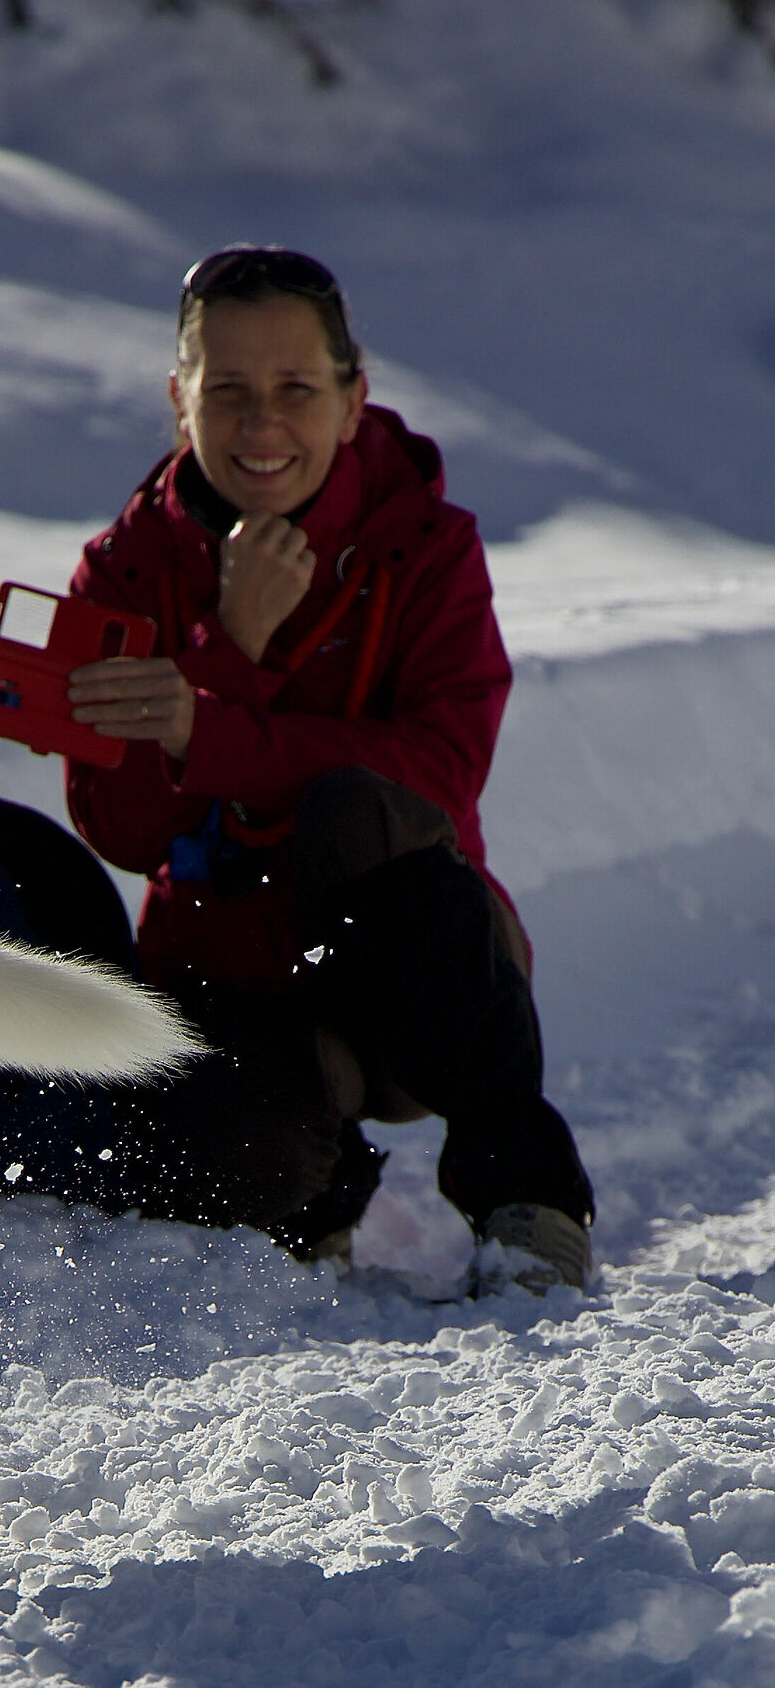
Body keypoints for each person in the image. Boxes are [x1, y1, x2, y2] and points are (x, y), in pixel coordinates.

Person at [63, 244, 594, 1289]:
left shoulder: (425, 546)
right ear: (181, 403)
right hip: (233, 978)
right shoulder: (124, 570)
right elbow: (116, 823)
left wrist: (207, 726)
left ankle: (525, 1198)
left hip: (415, 977)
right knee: (230, 1153)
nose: (262, 427)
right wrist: (228, 644)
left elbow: (439, 774)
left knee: (356, 809)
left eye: (297, 390)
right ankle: (320, 1190)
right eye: (229, 393)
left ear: (353, 402)